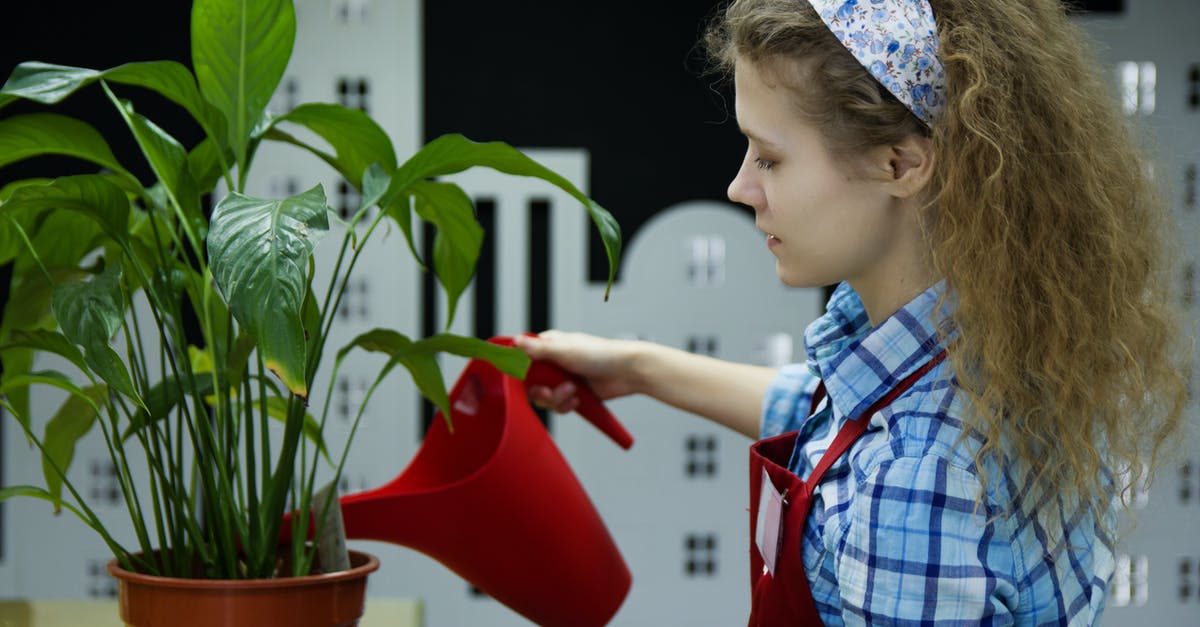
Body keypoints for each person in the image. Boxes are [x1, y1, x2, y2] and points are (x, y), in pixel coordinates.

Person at [516, 0, 1189, 624]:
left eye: (771, 158)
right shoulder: (989, 349)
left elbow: (883, 452)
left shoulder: (912, 483)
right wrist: (637, 369)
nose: (739, 186)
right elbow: (829, 416)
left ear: (900, 164)